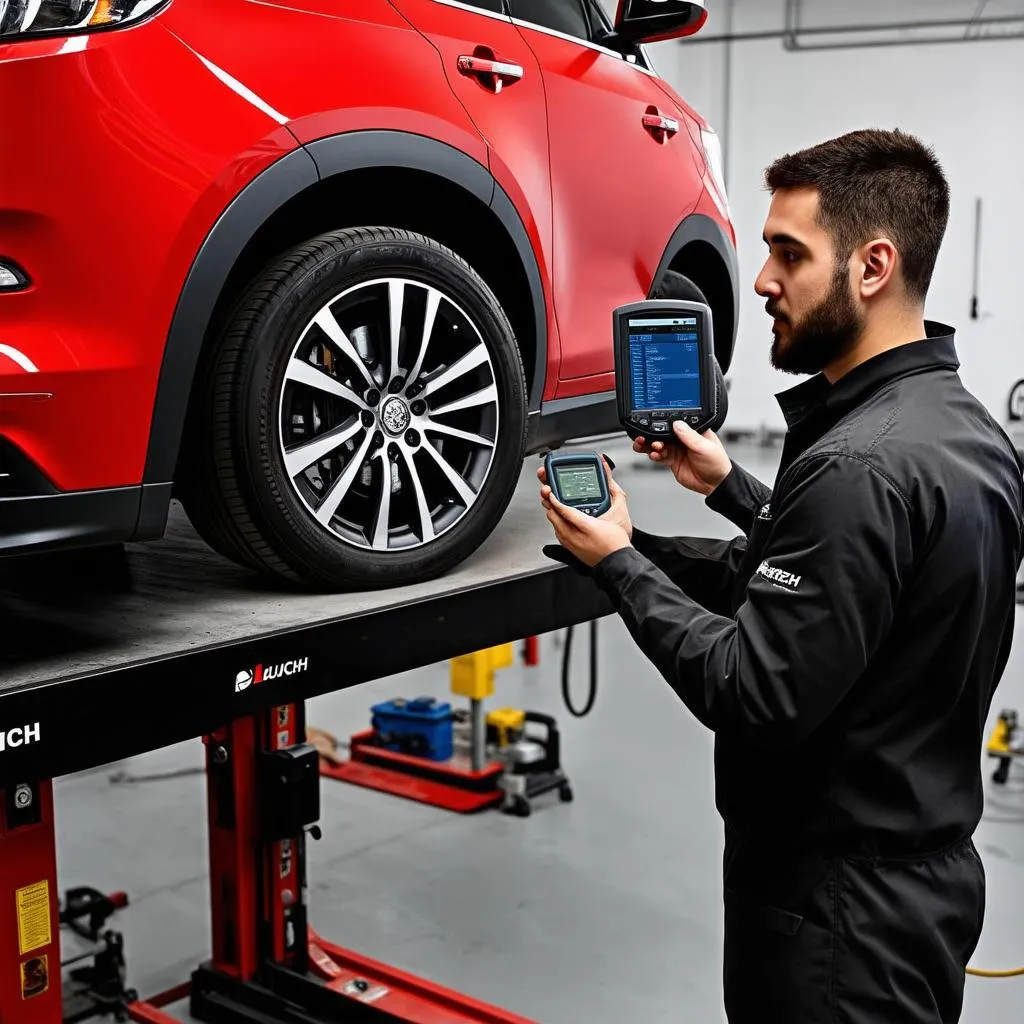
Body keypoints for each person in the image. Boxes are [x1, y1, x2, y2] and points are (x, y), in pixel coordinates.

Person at [539, 128, 1024, 1023]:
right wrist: (720, 495)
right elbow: (856, 586)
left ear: (873, 266)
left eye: (788, 254)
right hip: (919, 888)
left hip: (834, 917)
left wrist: (616, 567)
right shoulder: (962, 431)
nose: (761, 280)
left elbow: (755, 691)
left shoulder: (857, 467)